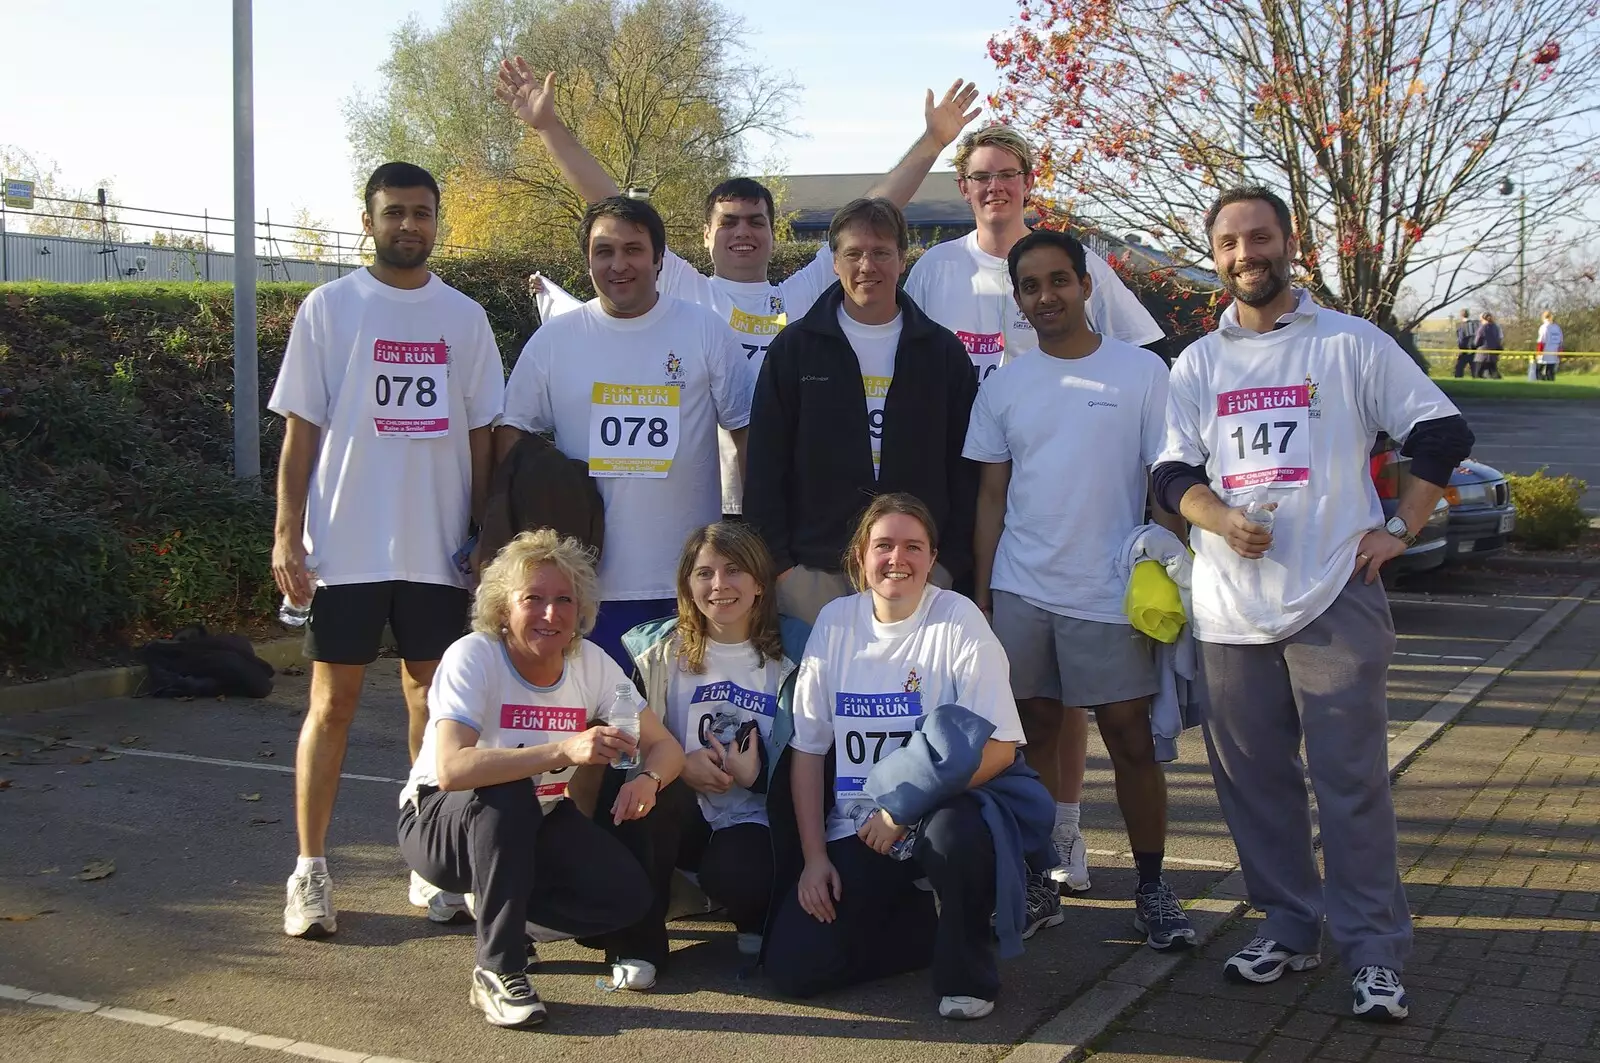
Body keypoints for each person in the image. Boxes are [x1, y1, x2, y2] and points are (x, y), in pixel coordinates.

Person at [1151, 186, 1474, 1022]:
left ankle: (1373, 952)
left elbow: (1440, 432)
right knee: (1253, 785)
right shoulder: (1197, 363)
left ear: (1288, 243)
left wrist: (1401, 524)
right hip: (1230, 609)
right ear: (1214, 253)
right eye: (1228, 242)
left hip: (1335, 594)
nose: (1243, 253)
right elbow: (1169, 475)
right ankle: (1290, 926)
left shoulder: (1350, 343)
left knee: (1350, 784)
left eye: (1259, 237)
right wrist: (1218, 517)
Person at [496, 56, 982, 516]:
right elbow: (617, 209)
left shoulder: (800, 296)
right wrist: (549, 128)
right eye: (728, 222)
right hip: (713, 505)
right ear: (705, 235)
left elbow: (868, 216)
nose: (743, 232)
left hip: (788, 500)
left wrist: (932, 143)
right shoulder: (688, 292)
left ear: (775, 234)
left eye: (756, 221)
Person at [269, 162, 506, 938]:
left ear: (439, 222)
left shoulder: (465, 318)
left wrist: (481, 536)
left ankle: (427, 863)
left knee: (433, 703)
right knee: (330, 706)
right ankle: (309, 872)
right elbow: (300, 435)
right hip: (346, 549)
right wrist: (286, 532)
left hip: (438, 553)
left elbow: (481, 441)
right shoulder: (330, 308)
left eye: (423, 213)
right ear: (367, 219)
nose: (410, 224)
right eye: (395, 212)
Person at [964, 228, 1195, 948]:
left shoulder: (1141, 373)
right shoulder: (1003, 384)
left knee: (1131, 739)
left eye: (1058, 281)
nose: (1045, 296)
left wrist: (1163, 552)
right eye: (1030, 286)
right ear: (1019, 299)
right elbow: (991, 497)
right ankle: (1041, 879)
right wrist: (982, 593)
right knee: (1028, 739)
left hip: (1110, 591)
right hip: (1023, 588)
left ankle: (1153, 887)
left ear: (1086, 284)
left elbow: (1167, 475)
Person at [764, 493, 1057, 1021]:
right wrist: (814, 860)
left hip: (935, 816)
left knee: (955, 834)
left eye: (912, 546)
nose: (897, 558)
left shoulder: (959, 619)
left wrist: (901, 807)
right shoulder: (834, 623)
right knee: (793, 968)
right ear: (860, 556)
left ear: (932, 557)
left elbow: (1000, 746)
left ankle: (967, 973)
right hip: (859, 830)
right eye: (883, 546)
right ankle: (929, 928)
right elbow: (808, 751)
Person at [398, 529, 684, 1026]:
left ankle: (505, 908)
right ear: (503, 607)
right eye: (533, 598)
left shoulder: (589, 662)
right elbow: (452, 769)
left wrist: (649, 781)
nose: (550, 614)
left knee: (626, 899)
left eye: (564, 600)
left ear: (581, 610)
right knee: (508, 792)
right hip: (442, 822)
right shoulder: (475, 655)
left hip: (540, 818)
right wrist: (561, 749)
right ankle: (496, 968)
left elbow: (665, 747)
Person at [496, 195, 754, 670]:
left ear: (658, 259)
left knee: (677, 733)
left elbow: (744, 435)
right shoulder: (555, 340)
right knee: (595, 729)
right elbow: (512, 436)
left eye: (633, 250)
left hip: (689, 582)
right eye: (604, 251)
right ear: (588, 260)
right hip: (585, 587)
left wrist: (755, 539)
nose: (619, 264)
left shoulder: (705, 330)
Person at [744, 198, 978, 625]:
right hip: (815, 574)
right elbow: (763, 466)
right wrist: (781, 569)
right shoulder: (795, 350)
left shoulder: (944, 353)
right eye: (853, 253)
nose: (867, 265)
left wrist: (951, 562)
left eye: (881, 252)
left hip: (917, 571)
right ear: (834, 262)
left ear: (902, 260)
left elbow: (964, 470)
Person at [620, 522, 811, 958]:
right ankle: (642, 946)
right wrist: (676, 764)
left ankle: (750, 913)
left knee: (741, 875)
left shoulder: (799, 652)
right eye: (704, 573)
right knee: (648, 796)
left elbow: (816, 761)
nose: (719, 585)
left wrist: (758, 777)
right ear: (688, 585)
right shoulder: (658, 653)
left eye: (733, 570)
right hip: (679, 810)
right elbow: (625, 750)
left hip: (753, 819)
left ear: (760, 583)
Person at [902, 124, 1165, 384]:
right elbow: (904, 357)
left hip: (1052, 425)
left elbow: (1146, 347)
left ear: (1027, 182)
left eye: (1007, 175)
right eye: (982, 177)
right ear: (964, 188)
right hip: (961, 426)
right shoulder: (933, 267)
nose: (995, 186)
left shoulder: (1074, 262)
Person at [1536, 310, 1564, 380]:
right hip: (1554, 353)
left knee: (1538, 371)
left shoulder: (1544, 327)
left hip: (1544, 353)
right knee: (1551, 373)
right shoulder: (1557, 328)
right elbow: (1561, 341)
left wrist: (1538, 353)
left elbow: (1541, 341)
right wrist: (1560, 353)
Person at [1473, 312, 1503, 378]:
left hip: (1482, 354)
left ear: (1483, 319)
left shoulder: (1482, 328)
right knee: (1494, 371)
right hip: (1493, 353)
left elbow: (1477, 340)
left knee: (1478, 373)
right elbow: (1499, 339)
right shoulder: (1496, 327)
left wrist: (1474, 346)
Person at [1453, 309, 1476, 378]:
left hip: (1465, 348)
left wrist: (1460, 346)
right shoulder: (1473, 324)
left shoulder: (1461, 325)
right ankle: (1476, 377)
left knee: (1459, 367)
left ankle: (1458, 377)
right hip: (1473, 347)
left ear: (1461, 315)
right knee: (1473, 366)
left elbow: (1461, 337)